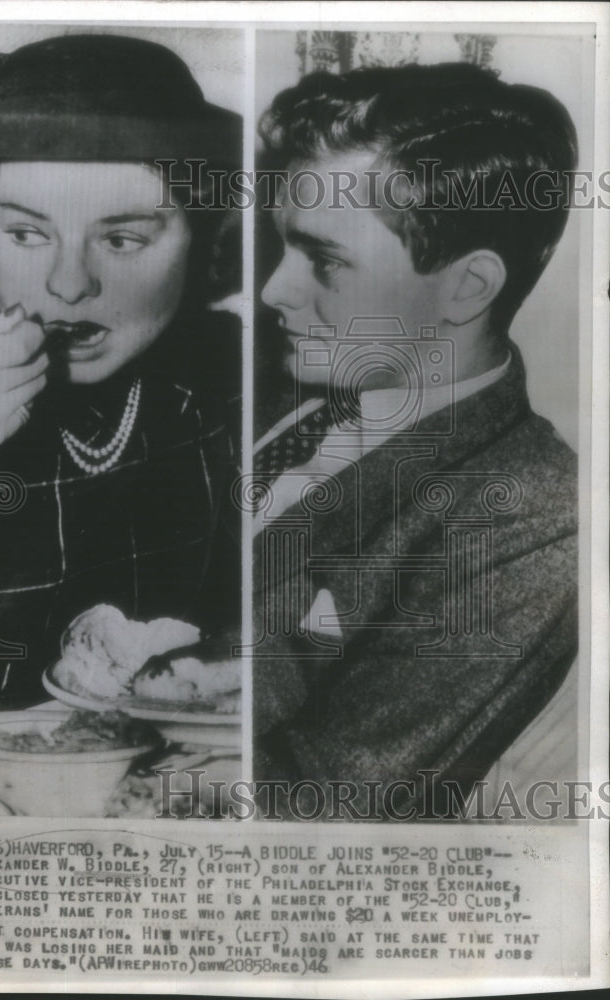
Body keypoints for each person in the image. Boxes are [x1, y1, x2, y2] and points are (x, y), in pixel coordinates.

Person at [251, 63, 578, 819]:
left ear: (467, 287)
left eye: (323, 259)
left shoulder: (529, 517)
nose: (274, 289)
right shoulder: (286, 392)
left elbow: (323, 803)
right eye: (282, 248)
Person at [0, 34, 241, 734]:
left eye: (121, 239)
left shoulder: (226, 374)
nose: (68, 285)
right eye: (27, 234)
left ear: (204, 236)